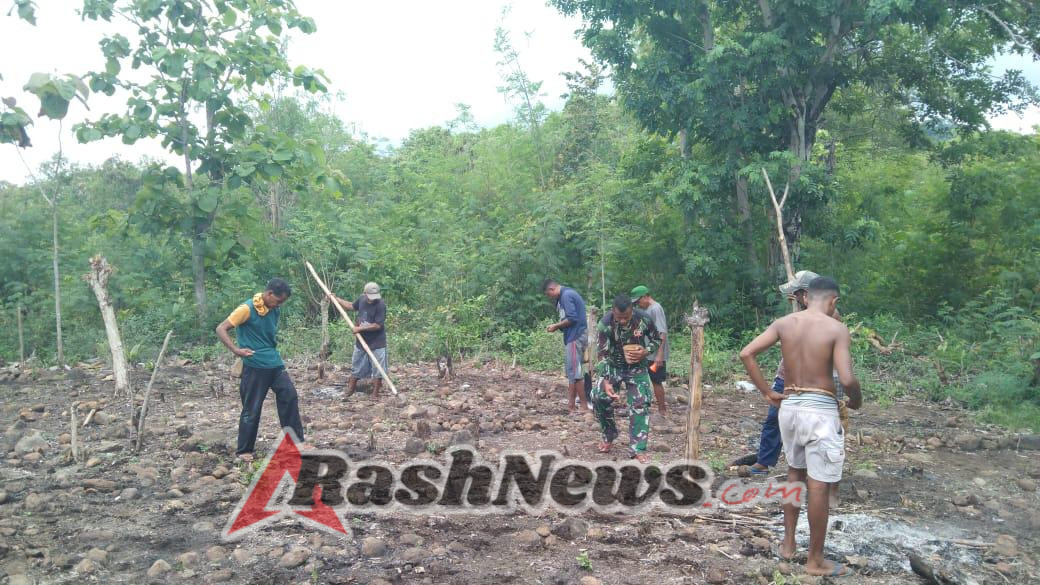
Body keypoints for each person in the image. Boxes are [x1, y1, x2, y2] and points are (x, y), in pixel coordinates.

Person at [739, 276, 863, 577]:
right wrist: (856, 400)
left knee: (795, 474)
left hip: (790, 407)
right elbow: (846, 379)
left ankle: (788, 545)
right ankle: (815, 561)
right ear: (833, 301)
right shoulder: (837, 328)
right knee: (818, 484)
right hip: (819, 409)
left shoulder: (784, 323)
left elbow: (746, 353)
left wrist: (768, 392)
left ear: (806, 297)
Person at [216, 278, 307, 462]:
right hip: (255, 364)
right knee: (252, 407)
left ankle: (295, 442)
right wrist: (236, 350)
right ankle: (244, 450)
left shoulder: (274, 309)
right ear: (269, 294)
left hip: (274, 361)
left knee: (289, 395)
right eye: (278, 301)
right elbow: (221, 328)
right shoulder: (246, 309)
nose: (279, 305)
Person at [592, 294, 661, 463]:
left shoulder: (643, 319)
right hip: (613, 367)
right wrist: (606, 381)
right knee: (598, 396)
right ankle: (609, 435)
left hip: (637, 368)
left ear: (632, 311)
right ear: (613, 311)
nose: (622, 321)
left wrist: (646, 351)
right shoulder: (605, 324)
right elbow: (602, 355)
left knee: (640, 402)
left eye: (626, 317)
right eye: (619, 317)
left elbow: (657, 339)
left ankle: (638, 448)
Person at [330, 282, 387, 399]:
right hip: (361, 341)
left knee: (378, 368)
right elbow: (351, 306)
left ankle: (375, 394)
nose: (372, 299)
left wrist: (360, 328)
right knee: (357, 365)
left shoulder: (381, 305)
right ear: (365, 293)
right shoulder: (361, 299)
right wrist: (336, 299)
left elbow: (377, 325)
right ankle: (350, 390)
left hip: (377, 341)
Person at [542, 279, 589, 414]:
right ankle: (571, 405)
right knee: (572, 371)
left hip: (575, 336)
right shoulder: (564, 296)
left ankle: (584, 406)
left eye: (548, 294)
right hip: (572, 336)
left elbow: (572, 318)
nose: (549, 297)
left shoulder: (566, 296)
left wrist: (556, 326)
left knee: (575, 372)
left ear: (552, 290)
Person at [631, 285, 669, 416]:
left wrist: (659, 354)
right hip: (647, 352)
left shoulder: (656, 309)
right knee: (645, 378)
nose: (638, 304)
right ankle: (645, 405)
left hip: (655, 355)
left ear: (646, 296)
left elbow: (661, 332)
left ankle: (662, 410)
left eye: (638, 301)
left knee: (656, 380)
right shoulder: (647, 310)